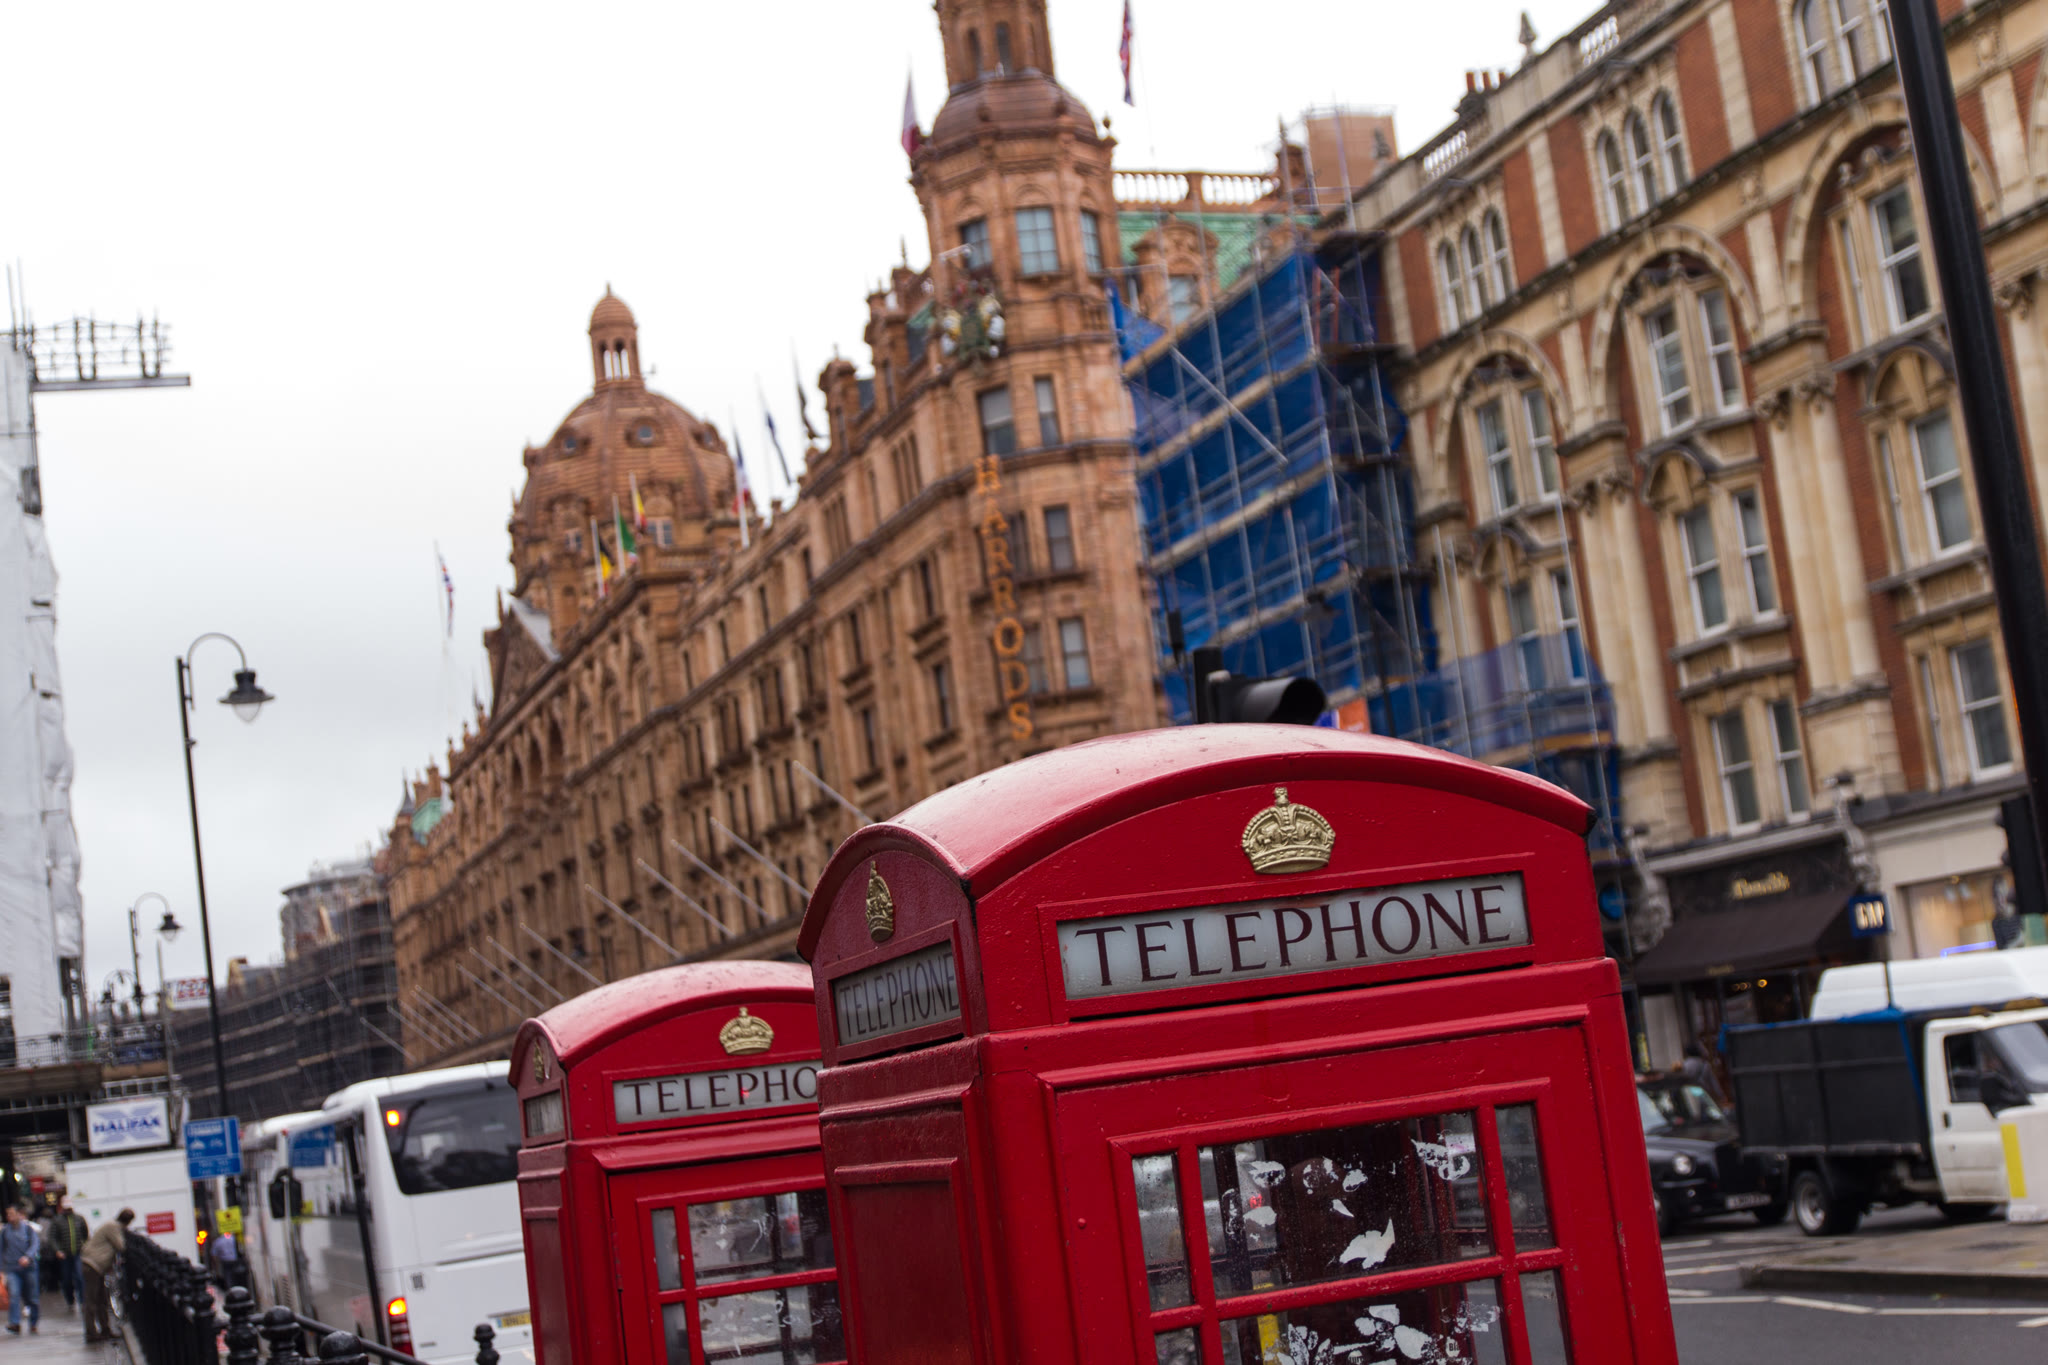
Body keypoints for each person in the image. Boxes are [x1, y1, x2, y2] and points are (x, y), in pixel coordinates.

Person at [78, 1209, 132, 1345]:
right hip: (92, 1265)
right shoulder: (113, 1227)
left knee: (102, 1300)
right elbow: (121, 1246)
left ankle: (105, 1330)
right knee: (91, 1301)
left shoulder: (112, 1225)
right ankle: (91, 1333)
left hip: (96, 1266)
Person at [1, 1204, 40, 1335]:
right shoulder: (5, 1231)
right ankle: (15, 1323)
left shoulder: (28, 1229)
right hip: (12, 1268)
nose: (9, 1217)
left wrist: (28, 1257)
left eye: (11, 1214)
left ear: (19, 1214)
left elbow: (35, 1244)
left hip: (29, 1268)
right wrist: (1, 1269)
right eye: (8, 1214)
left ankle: (33, 1323)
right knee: (14, 1295)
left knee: (32, 1297)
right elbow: (1, 1250)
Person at [45, 1200, 87, 1311]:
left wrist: (84, 1245)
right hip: (64, 1255)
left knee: (79, 1276)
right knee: (66, 1279)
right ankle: (70, 1299)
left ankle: (82, 1300)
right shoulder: (57, 1220)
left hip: (78, 1253)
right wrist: (57, 1250)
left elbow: (85, 1234)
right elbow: (52, 1237)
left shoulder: (79, 1219)